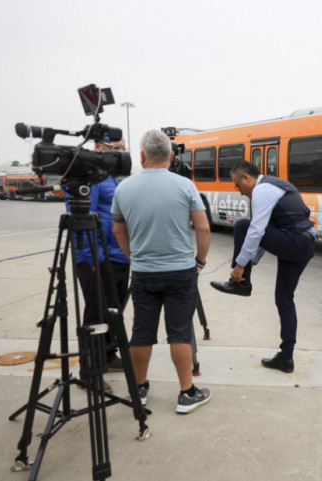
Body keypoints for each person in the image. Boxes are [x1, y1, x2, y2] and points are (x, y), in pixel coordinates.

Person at [111, 130, 211, 414]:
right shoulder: (185, 186)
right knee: (179, 332)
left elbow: (118, 228)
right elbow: (203, 228)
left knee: (141, 331)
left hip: (144, 272)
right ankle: (186, 393)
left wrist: (135, 257)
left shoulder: (123, 189)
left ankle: (139, 389)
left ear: (141, 156)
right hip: (181, 271)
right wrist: (200, 262)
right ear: (171, 156)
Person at [210, 161, 315, 373]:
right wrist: (252, 261)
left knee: (242, 225)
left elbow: (257, 231)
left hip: (296, 242)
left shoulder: (262, 190)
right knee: (284, 299)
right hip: (302, 242)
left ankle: (240, 283)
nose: (240, 193)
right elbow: (269, 230)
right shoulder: (274, 186)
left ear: (246, 178)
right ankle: (286, 358)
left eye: (238, 186)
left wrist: (240, 266)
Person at [66, 138, 130, 393]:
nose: (120, 152)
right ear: (99, 147)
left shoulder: (112, 177)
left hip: (118, 256)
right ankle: (89, 370)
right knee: (96, 311)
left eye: (122, 147)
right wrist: (91, 259)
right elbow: (81, 218)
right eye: (116, 147)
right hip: (96, 258)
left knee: (113, 310)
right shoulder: (89, 178)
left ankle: (107, 354)